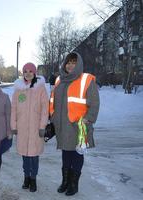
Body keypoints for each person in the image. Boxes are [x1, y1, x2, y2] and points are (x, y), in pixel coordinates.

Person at [49, 52, 100, 196]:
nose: (70, 65)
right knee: (66, 153)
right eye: (68, 63)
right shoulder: (60, 80)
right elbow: (53, 100)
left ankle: (73, 184)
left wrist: (88, 118)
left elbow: (94, 103)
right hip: (62, 125)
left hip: (79, 125)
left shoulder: (86, 79)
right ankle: (65, 181)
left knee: (77, 154)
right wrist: (52, 116)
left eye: (74, 63)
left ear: (79, 64)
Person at [11, 62, 49, 192]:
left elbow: (45, 109)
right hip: (22, 128)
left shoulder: (40, 88)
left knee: (34, 155)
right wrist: (13, 125)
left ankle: (33, 179)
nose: (28, 73)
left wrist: (42, 126)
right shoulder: (18, 89)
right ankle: (26, 177)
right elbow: (13, 108)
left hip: (36, 128)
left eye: (30, 71)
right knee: (25, 155)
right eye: (25, 71)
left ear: (34, 73)